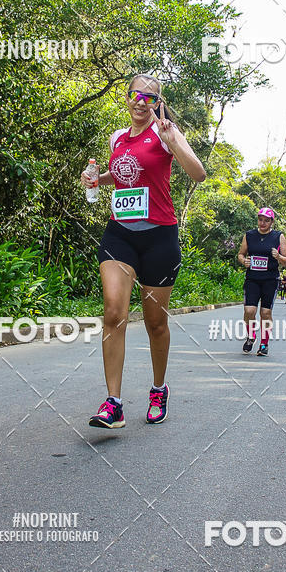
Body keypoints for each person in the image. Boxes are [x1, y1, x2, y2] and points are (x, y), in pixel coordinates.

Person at [81, 74, 206, 429]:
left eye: (149, 97)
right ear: (126, 97)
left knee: (155, 323)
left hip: (159, 237)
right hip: (119, 235)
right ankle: (114, 402)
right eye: (136, 94)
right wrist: (96, 179)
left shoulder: (167, 132)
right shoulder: (117, 138)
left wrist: (172, 140)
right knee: (113, 313)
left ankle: (158, 389)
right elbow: (123, 175)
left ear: (156, 103)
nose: (140, 101)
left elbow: (198, 173)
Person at [237, 208, 286, 356]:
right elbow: (241, 254)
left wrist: (279, 257)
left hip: (270, 280)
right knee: (249, 311)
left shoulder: (278, 236)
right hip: (252, 279)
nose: (263, 223)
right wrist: (244, 261)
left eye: (266, 220)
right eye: (261, 219)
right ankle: (251, 336)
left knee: (265, 313)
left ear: (271, 222)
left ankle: (264, 344)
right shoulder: (249, 235)